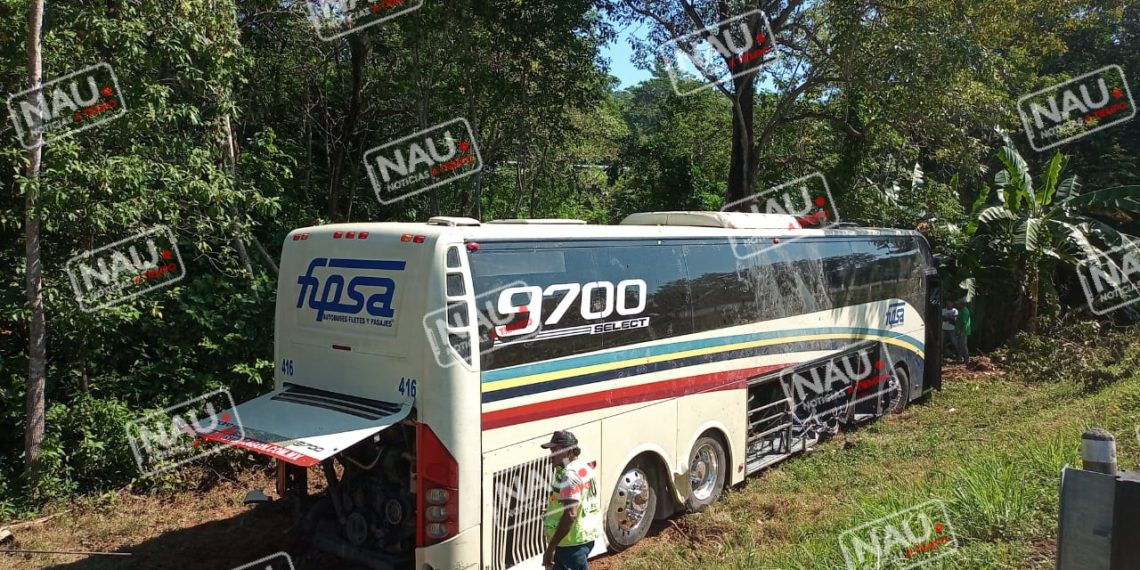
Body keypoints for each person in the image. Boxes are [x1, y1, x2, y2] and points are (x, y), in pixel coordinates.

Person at [541, 430, 603, 570]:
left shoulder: (569, 475)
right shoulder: (583, 468)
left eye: (556, 450)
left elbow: (570, 514)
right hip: (582, 538)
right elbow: (580, 500)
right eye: (552, 450)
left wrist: (551, 548)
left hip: (570, 544)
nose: (552, 455)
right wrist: (552, 510)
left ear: (570, 452)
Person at [953, 299, 972, 364]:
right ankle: (960, 358)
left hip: (963, 331)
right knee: (959, 345)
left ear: (961, 304)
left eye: (958, 304)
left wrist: (961, 331)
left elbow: (964, 322)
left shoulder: (964, 311)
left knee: (963, 345)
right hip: (960, 331)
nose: (957, 305)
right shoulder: (961, 310)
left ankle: (967, 359)